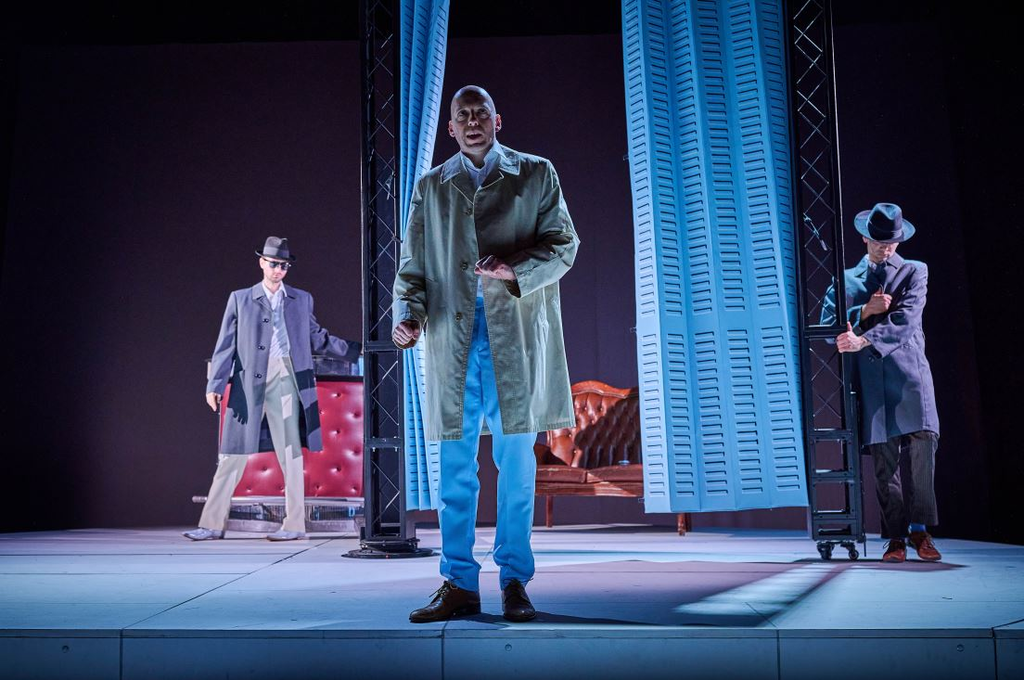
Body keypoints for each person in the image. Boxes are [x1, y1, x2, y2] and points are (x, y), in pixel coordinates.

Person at [393, 85, 579, 622]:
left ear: (497, 120)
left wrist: (512, 269)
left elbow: (564, 245)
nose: (472, 122)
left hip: (513, 339)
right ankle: (458, 582)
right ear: (451, 127)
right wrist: (409, 316)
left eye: (481, 113)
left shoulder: (535, 173)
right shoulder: (432, 186)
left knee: (516, 464)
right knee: (455, 467)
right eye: (463, 115)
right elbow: (412, 266)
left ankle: (515, 580)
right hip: (453, 340)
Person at [184, 236, 361, 542]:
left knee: (290, 454)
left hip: (286, 378)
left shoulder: (301, 299)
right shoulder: (240, 298)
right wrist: (215, 384)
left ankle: (294, 525)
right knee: (231, 454)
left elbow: (317, 337)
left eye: (284, 265)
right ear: (261, 262)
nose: (278, 269)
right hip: (248, 382)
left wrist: (357, 349)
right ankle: (211, 524)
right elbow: (225, 345)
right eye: (274, 263)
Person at [823, 203, 941, 563]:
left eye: (890, 243)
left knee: (922, 451)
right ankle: (895, 538)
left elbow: (906, 320)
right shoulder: (846, 279)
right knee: (884, 461)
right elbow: (827, 326)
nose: (885, 249)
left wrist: (862, 339)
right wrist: (864, 312)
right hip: (872, 380)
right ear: (865, 238)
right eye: (878, 242)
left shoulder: (914, 271)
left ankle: (920, 531)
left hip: (910, 376)